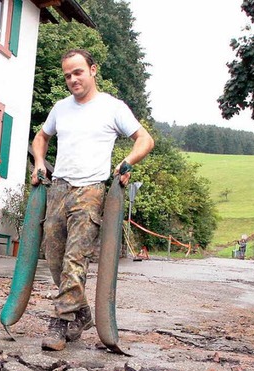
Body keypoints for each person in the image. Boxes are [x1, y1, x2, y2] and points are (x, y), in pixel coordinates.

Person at [31, 49, 155, 351]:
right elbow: (41, 138)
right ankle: (82, 312)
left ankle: (59, 323)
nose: (73, 79)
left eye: (78, 72)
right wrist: (38, 162)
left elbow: (145, 139)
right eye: (68, 75)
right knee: (55, 257)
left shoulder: (112, 107)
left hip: (91, 190)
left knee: (76, 257)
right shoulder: (60, 108)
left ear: (93, 70)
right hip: (58, 188)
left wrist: (127, 162)